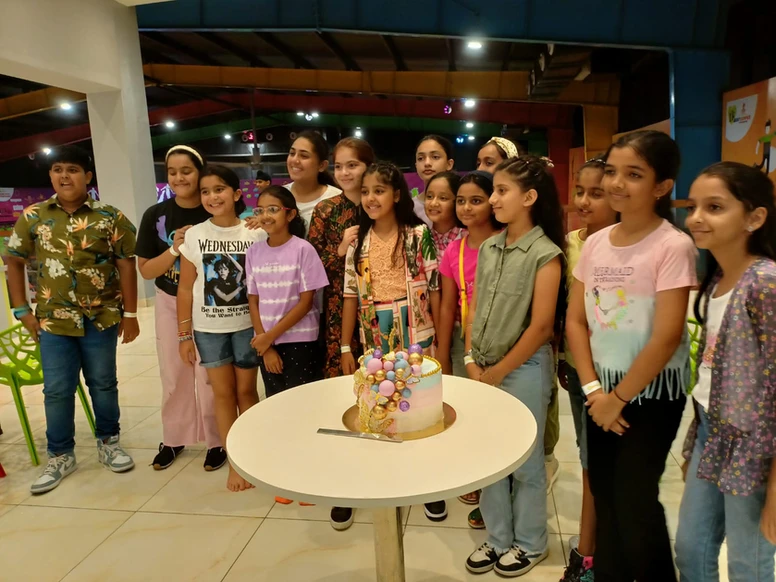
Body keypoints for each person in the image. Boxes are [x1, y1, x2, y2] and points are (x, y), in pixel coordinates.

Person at [566, 130, 697, 581]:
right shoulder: (596, 243)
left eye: (634, 174)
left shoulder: (672, 245)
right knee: (605, 495)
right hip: (598, 392)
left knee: (635, 501)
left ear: (662, 186)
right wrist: (593, 391)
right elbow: (575, 321)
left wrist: (617, 399)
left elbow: (667, 336)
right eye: (612, 172)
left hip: (651, 396)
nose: (617, 184)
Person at [5, 145, 140, 494]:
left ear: (87, 176)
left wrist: (130, 313)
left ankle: (109, 442)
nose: (64, 176)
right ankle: (61, 455)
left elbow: (127, 264)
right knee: (57, 390)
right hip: (53, 321)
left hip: (101, 317)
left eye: (73, 170)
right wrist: (21, 310)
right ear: (51, 175)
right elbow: (14, 260)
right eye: (58, 169)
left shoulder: (109, 217)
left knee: (103, 384)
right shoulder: (34, 216)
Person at [463, 155, 564, 577]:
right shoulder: (490, 247)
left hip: (522, 370)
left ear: (529, 197)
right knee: (489, 456)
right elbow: (475, 308)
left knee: (525, 462)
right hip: (483, 368)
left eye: (502, 191)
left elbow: (541, 327)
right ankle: (498, 537)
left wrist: (499, 371)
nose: (493, 199)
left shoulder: (546, 254)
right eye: (495, 191)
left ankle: (531, 542)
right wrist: (470, 359)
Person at [675, 162, 776, 581]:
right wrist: (693, 443)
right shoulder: (717, 278)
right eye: (692, 206)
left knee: (748, 561)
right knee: (691, 549)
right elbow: (711, 377)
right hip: (711, 433)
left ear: (754, 217)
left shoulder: (765, 283)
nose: (696, 218)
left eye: (714, 207)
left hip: (755, 449)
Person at [340, 161, 444, 521]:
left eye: (379, 190)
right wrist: (345, 345)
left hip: (416, 330)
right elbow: (349, 294)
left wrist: (439, 338)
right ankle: (383, 478)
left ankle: (428, 483)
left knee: (418, 404)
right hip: (374, 333)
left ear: (396, 194)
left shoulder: (417, 235)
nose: (371, 198)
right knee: (380, 401)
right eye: (365, 191)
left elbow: (434, 288)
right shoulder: (358, 243)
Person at [177, 165, 266, 492]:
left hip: (247, 327)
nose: (212, 197)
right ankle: (236, 463)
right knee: (223, 394)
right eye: (205, 191)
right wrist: (184, 335)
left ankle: (253, 457)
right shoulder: (195, 235)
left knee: (247, 392)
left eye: (219, 189)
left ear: (236, 193)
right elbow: (185, 288)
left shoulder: (255, 233)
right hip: (208, 330)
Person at [136, 145, 225, 472]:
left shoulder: (214, 209)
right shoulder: (155, 215)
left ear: (200, 172)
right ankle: (174, 438)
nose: (178, 178)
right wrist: (174, 249)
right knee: (174, 374)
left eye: (186, 171)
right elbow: (146, 270)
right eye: (172, 172)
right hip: (170, 302)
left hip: (211, 304)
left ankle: (217, 440)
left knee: (210, 374)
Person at [558, 157, 618, 582]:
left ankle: (590, 552)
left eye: (596, 193)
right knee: (587, 457)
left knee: (599, 464)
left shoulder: (627, 246)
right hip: (577, 367)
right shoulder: (569, 244)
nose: (583, 201)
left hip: (615, 376)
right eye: (580, 191)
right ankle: (592, 548)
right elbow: (567, 311)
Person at [308, 137, 374, 380]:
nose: (344, 173)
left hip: (378, 302)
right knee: (341, 376)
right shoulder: (325, 210)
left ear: (369, 166)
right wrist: (340, 249)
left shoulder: (379, 207)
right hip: (336, 306)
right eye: (338, 166)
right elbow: (311, 267)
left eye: (352, 165)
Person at [283, 130, 341, 234]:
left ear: (322, 165)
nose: (295, 160)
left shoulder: (337, 200)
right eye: (292, 153)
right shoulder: (278, 195)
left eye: (304, 156)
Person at [414, 135, 455, 226]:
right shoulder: (409, 207)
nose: (427, 163)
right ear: (416, 165)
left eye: (435, 157)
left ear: (449, 164)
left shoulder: (461, 204)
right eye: (420, 158)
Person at [424, 171, 465, 261]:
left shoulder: (467, 237)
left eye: (442, 198)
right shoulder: (421, 238)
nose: (433, 203)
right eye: (429, 196)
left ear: (457, 201)